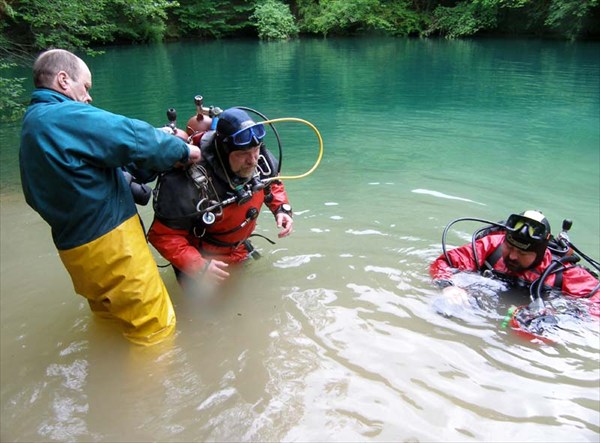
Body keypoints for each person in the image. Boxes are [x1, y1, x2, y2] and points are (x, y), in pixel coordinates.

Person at [19, 49, 202, 346]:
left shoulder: (34, 124)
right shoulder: (63, 114)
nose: (89, 97)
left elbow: (37, 193)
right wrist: (185, 151)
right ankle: (143, 393)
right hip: (112, 246)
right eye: (86, 87)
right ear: (64, 80)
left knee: (110, 321)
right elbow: (130, 136)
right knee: (155, 330)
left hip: (75, 252)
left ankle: (104, 379)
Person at [148, 107, 293, 286]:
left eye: (255, 150)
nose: (253, 160)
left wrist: (281, 209)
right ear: (224, 152)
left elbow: (272, 183)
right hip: (201, 258)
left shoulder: (259, 156)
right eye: (243, 155)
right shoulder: (187, 180)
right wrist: (197, 266)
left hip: (238, 249)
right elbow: (162, 235)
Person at [430, 210, 600, 311]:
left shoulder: (561, 271)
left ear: (540, 253)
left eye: (522, 253)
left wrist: (560, 315)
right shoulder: (492, 245)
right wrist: (449, 286)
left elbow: (597, 303)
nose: (512, 256)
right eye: (509, 248)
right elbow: (445, 263)